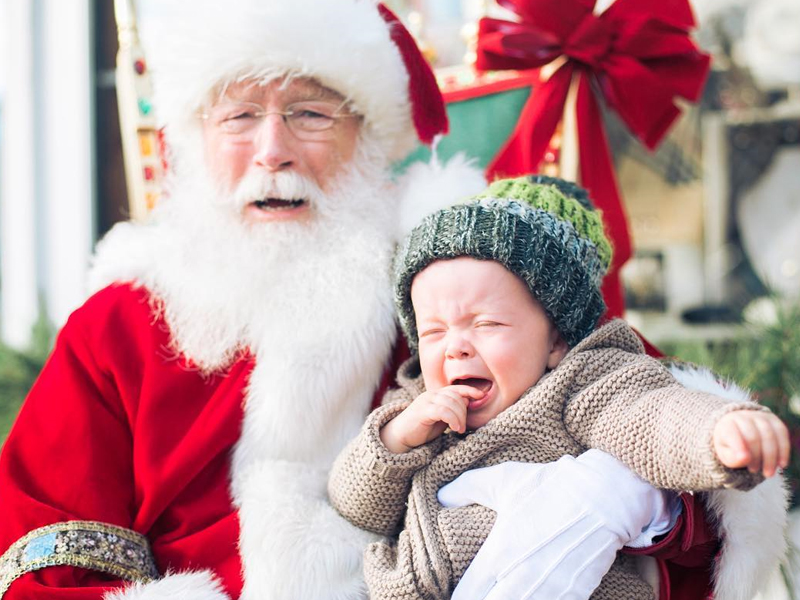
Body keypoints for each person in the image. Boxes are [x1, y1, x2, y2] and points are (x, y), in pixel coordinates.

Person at [0, 2, 784, 600]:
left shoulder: (465, 285)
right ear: (196, 141)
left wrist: (623, 498)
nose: (272, 150)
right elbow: (47, 546)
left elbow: (640, 415)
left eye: (309, 113)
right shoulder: (122, 324)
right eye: (239, 116)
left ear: (368, 137)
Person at [329, 176, 790, 600]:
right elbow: (356, 507)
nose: (455, 348)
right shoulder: (415, 407)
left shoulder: (581, 384)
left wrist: (716, 433)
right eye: (433, 332)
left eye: (486, 324)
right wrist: (397, 438)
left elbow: (650, 414)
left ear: (556, 341)